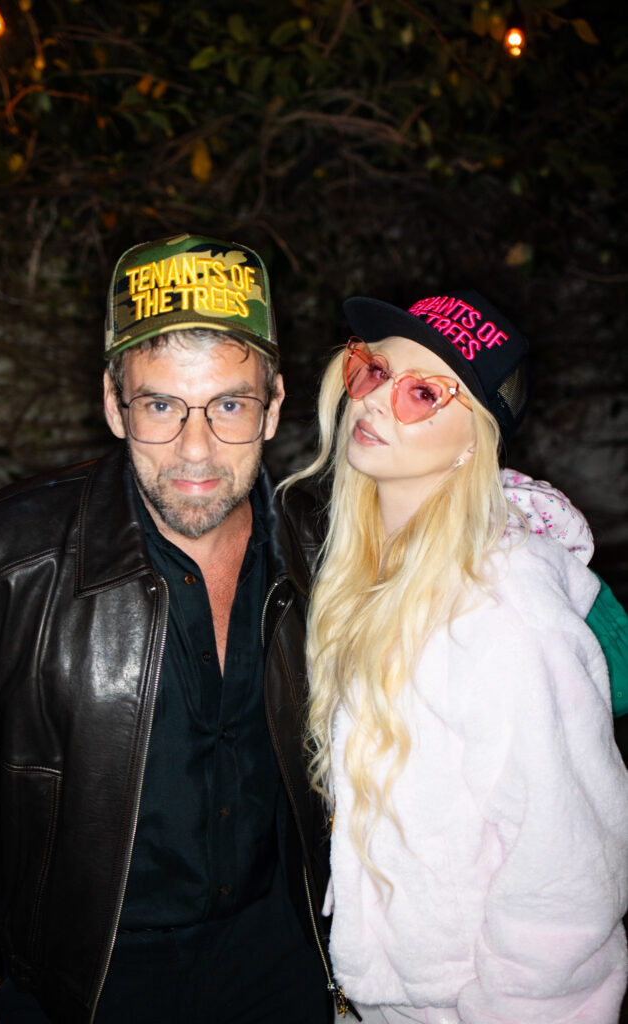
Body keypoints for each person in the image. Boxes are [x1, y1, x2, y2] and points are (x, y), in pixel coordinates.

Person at [0, 234, 337, 1024]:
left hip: (279, 961)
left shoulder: (324, 553)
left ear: (274, 407)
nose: (195, 450)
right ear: (112, 404)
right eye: (160, 405)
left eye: (229, 405)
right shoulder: (3, 561)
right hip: (79, 985)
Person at [285, 290, 628, 1022]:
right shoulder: (368, 574)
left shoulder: (501, 606)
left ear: (474, 440)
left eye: (420, 394)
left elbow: (565, 872)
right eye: (374, 371)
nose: (373, 402)